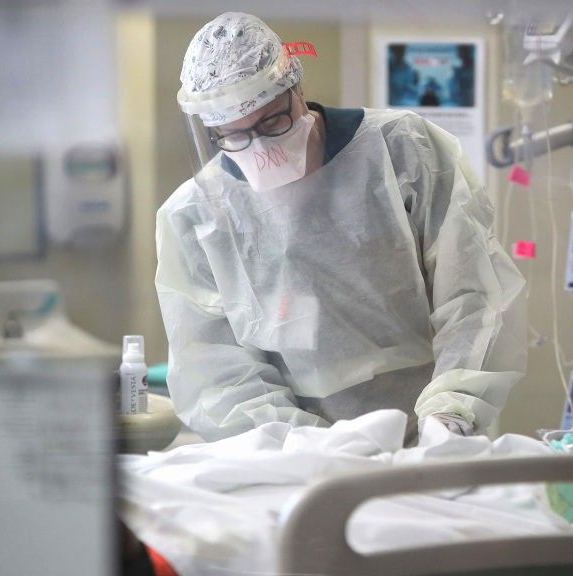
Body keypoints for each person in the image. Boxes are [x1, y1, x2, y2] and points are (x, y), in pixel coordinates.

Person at [156, 12, 527, 445]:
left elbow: (473, 293)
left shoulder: (402, 150)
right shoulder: (197, 216)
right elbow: (216, 370)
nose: (260, 149)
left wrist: (450, 413)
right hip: (298, 452)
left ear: (296, 89)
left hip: (432, 431)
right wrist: (308, 445)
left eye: (272, 122)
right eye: (233, 136)